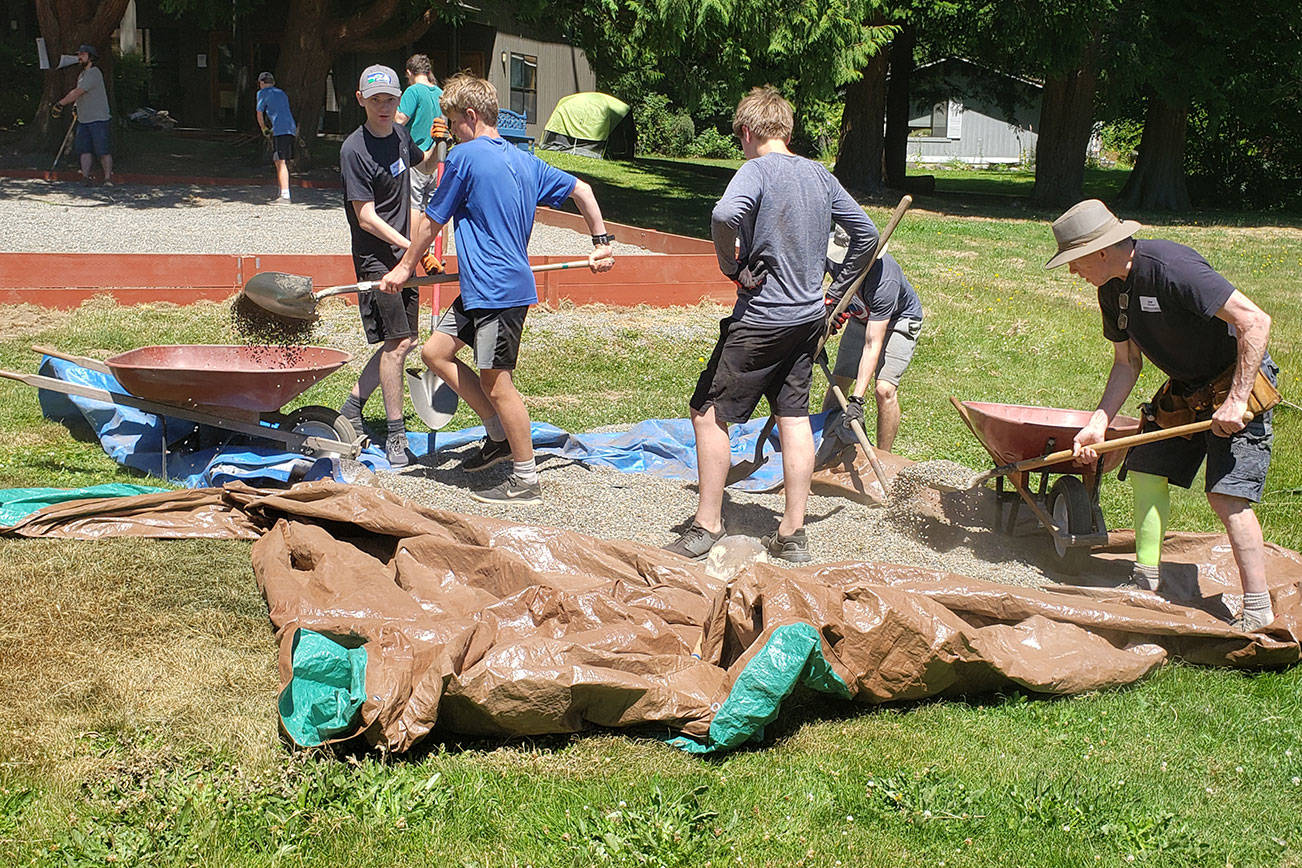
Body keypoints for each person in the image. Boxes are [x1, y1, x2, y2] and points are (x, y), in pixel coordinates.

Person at [379, 73, 614, 505]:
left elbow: (432, 221)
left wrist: (404, 267)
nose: (450, 131)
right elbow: (584, 189)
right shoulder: (525, 160)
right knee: (435, 353)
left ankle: (525, 479)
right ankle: (497, 435)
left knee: (498, 384)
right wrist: (600, 242)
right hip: (479, 288)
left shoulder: (466, 157)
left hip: (499, 292)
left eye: (452, 122)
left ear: (470, 116)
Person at [663, 86, 877, 563]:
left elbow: (723, 214)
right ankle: (792, 533)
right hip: (807, 320)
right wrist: (833, 294)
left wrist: (730, 265)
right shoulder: (821, 176)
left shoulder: (755, 170)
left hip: (762, 320)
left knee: (708, 413)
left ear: (747, 132)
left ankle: (706, 524)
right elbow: (866, 234)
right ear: (786, 129)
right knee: (794, 416)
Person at [1049, 199, 1279, 630]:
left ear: (1100, 250)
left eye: (1075, 261)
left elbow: (1256, 321)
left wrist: (1236, 399)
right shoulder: (1111, 290)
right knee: (1148, 466)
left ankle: (1258, 607)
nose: (1072, 272)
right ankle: (1146, 579)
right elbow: (1126, 364)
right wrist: (1098, 421)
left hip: (1239, 381)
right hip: (1188, 389)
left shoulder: (1171, 267)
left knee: (1227, 495)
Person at [337, 64, 435, 468]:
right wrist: (410, 247)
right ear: (360, 99)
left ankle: (351, 408)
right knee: (397, 345)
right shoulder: (353, 150)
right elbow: (366, 216)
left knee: (404, 340)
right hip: (376, 258)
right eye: (375, 99)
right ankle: (397, 435)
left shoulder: (398, 134)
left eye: (390, 99)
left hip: (403, 254)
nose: (383, 106)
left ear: (399, 101)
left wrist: (439, 148)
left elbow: (421, 166)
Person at [821, 230, 923, 454]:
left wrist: (857, 399)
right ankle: (826, 445)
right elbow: (813, 289)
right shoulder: (829, 255)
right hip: (860, 315)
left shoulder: (885, 280)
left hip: (898, 319)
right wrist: (817, 329)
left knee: (884, 390)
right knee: (838, 380)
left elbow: (872, 344)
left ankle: (883, 457)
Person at [394, 54, 443, 255]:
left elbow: (399, 119)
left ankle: (414, 249)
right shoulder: (440, 93)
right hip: (438, 156)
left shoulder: (413, 91)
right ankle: (436, 251)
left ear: (409, 73)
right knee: (435, 205)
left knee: (413, 202)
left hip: (417, 154)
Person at [53, 44, 112, 186]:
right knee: (84, 150)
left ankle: (108, 179)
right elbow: (80, 95)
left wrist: (60, 103)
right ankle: (85, 177)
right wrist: (75, 107)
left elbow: (78, 92)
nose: (79, 57)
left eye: (83, 54)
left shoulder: (94, 73)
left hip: (98, 119)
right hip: (84, 119)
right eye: (79, 54)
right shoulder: (82, 75)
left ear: (91, 57)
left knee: (103, 150)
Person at [255, 72, 297, 202]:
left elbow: (259, 114)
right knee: (280, 160)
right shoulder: (281, 93)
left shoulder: (262, 93)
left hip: (280, 129)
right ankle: (282, 190)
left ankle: (285, 195)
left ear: (261, 82)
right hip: (290, 127)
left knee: (280, 161)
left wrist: (264, 129)